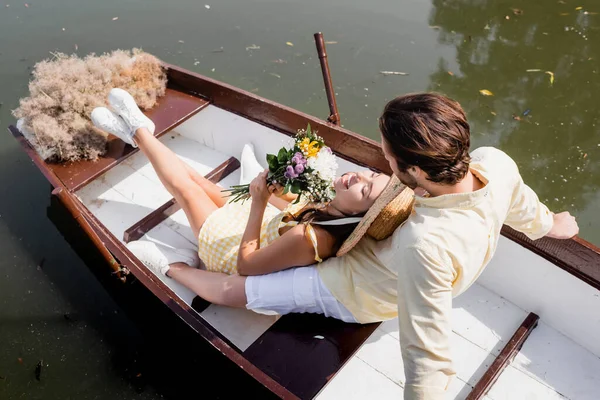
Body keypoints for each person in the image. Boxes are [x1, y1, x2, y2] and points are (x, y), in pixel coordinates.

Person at [98, 89, 579, 399]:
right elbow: (523, 207)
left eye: (386, 157)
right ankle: (137, 131)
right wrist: (550, 226)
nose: (379, 162)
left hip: (354, 288)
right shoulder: (494, 162)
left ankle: (167, 266)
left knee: (238, 292)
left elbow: (429, 355)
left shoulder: (424, 246)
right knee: (213, 198)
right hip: (371, 255)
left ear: (413, 172)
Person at [90, 88, 414, 322]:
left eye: (365, 190)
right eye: (370, 175)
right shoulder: (333, 207)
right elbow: (291, 206)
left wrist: (258, 202)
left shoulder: (312, 239)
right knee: (202, 184)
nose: (357, 178)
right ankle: (141, 138)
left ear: (359, 215)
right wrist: (275, 184)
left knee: (187, 190)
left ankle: (139, 129)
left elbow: (247, 266)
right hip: (258, 224)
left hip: (231, 254)